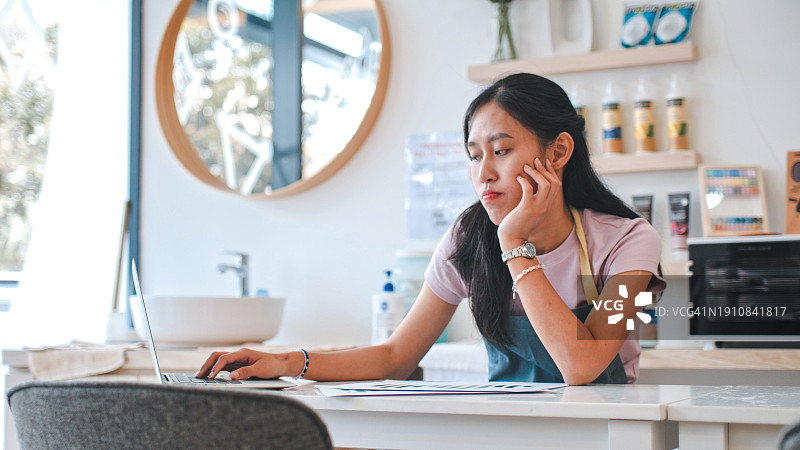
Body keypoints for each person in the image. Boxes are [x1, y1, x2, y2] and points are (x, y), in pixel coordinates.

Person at [197, 73, 666, 386]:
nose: (484, 173)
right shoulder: (469, 238)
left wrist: (514, 244)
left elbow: (581, 366)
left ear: (558, 152)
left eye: (501, 151)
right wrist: (287, 362)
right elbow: (395, 357)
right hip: (511, 431)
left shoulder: (628, 242)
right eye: (474, 156)